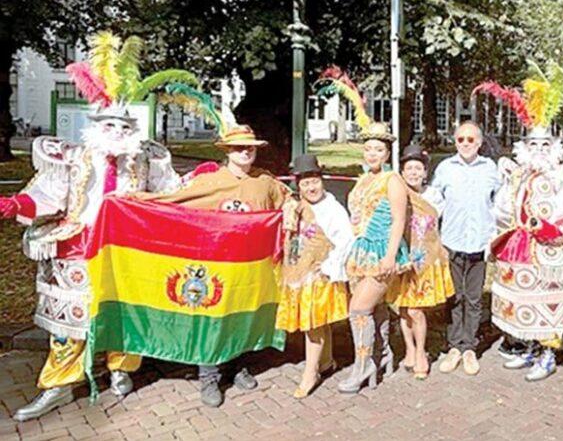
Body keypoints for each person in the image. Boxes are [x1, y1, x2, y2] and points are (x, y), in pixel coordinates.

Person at [1, 33, 182, 422]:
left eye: (123, 124)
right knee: (69, 323)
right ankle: (59, 384)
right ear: (95, 125)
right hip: (78, 244)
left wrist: (201, 184)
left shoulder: (147, 159)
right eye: (110, 124)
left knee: (125, 313)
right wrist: (17, 204)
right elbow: (47, 194)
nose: (117, 131)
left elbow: (170, 195)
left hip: (129, 249)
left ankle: (121, 369)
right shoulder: (74, 158)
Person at [140, 124, 291, 407]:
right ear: (227, 152)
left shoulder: (265, 182)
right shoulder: (210, 181)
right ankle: (209, 376)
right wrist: (135, 201)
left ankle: (238, 367)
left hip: (252, 267)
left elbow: (289, 203)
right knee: (214, 320)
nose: (245, 152)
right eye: (238, 148)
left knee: (245, 316)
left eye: (250, 147)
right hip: (217, 265)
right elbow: (173, 202)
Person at [475, 69, 563, 382]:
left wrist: (552, 230)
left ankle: (548, 353)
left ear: (553, 146)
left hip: (549, 248)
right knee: (522, 298)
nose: (539, 150)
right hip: (520, 246)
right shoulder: (519, 174)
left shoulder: (561, 176)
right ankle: (529, 346)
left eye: (545, 145)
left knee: (548, 300)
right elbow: (504, 207)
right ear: (525, 146)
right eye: (534, 144)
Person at [338, 121, 413, 393]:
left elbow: (398, 219)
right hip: (361, 250)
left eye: (378, 149)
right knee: (374, 308)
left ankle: (363, 365)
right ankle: (384, 355)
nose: (372, 154)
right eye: (368, 149)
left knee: (358, 310)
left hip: (382, 251)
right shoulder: (364, 179)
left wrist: (391, 255)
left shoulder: (392, 179)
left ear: (387, 152)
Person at [277, 154, 352, 398]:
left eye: (315, 181)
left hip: (320, 276)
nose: (311, 187)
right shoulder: (297, 206)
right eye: (305, 183)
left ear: (323, 181)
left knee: (313, 324)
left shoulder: (332, 209)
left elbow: (346, 241)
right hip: (301, 273)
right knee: (320, 323)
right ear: (298, 185)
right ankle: (326, 361)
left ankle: (310, 374)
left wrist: (330, 265)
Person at [431, 121, 500, 376]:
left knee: (473, 298)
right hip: (452, 242)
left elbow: (500, 202)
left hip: (479, 244)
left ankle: (469, 346)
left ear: (480, 143)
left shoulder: (490, 169)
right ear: (455, 141)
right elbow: (434, 202)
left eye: (471, 140)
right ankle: (454, 346)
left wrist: (495, 238)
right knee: (454, 296)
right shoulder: (446, 168)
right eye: (461, 139)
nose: (466, 144)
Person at [389, 144, 456, 379]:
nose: (414, 173)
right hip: (402, 257)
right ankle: (409, 348)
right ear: (402, 172)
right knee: (404, 309)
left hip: (424, 260)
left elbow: (439, 224)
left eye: (418, 168)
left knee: (417, 310)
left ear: (425, 172)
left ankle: (421, 352)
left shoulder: (433, 196)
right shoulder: (397, 194)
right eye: (409, 168)